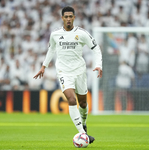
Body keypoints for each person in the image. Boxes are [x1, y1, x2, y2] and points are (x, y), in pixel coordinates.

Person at [33, 6, 103, 144]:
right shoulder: (55, 34)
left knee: (83, 103)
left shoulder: (82, 33)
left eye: (71, 16)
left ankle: (83, 126)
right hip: (64, 71)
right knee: (72, 100)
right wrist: (43, 66)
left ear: (74, 17)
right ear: (62, 18)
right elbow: (51, 49)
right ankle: (83, 135)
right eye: (66, 17)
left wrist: (98, 64)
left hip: (80, 71)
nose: (69, 19)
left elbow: (96, 48)